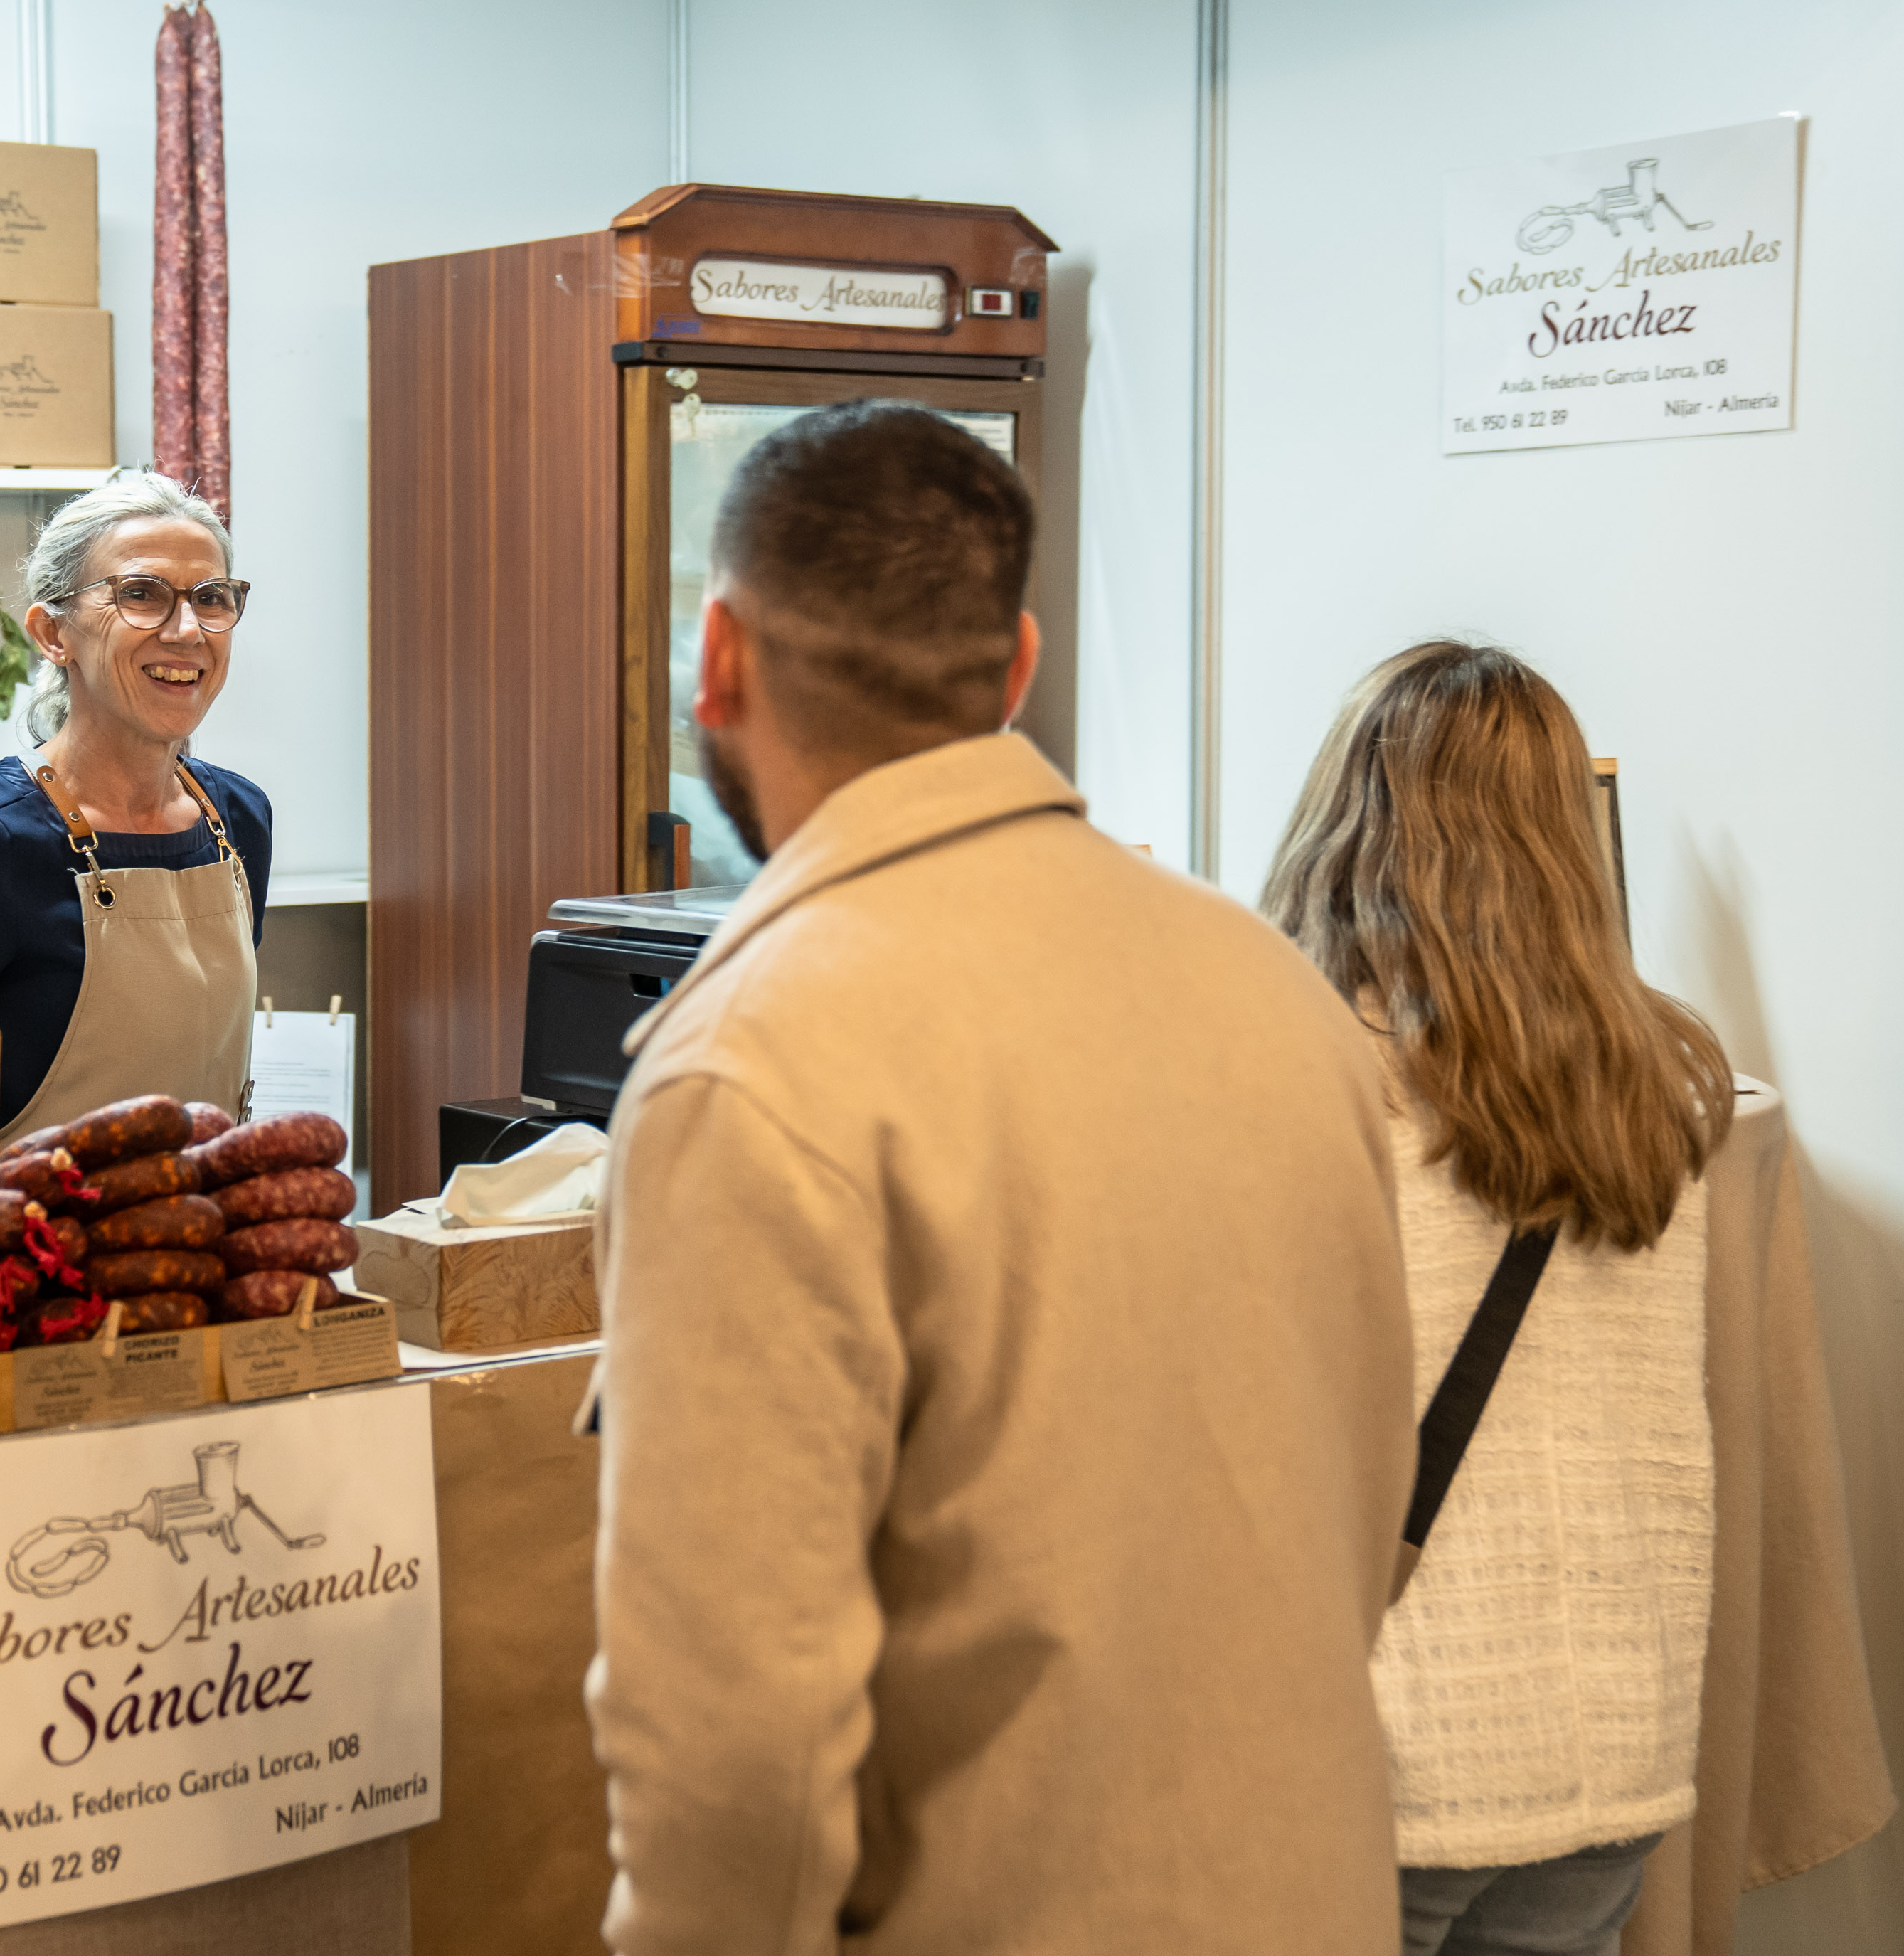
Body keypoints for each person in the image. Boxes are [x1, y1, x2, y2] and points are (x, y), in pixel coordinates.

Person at [583, 400, 1418, 1956]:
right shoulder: (1276, 991)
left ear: (721, 658)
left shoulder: (752, 1065)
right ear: (1016, 666)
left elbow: (732, 1742)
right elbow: (1369, 1518)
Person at [1262, 643, 1730, 1956]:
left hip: (1392, 1741)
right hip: (1616, 1738)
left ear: (1349, 823)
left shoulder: (1308, 1075)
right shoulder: (1670, 1079)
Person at [0, 471, 270, 1141]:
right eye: (141, 594)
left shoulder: (239, 819)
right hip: (31, 1237)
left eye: (211, 598)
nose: (188, 631)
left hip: (202, 1231)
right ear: (52, 634)